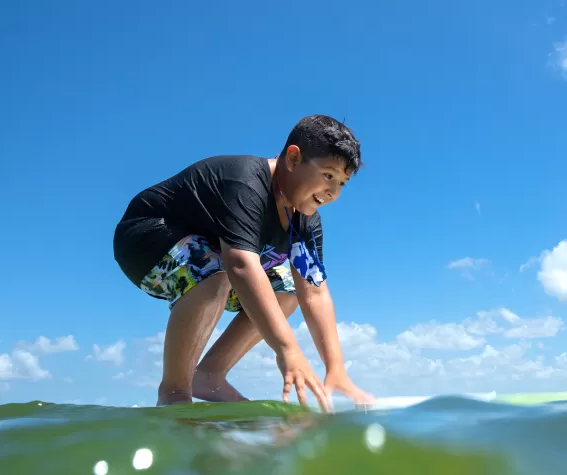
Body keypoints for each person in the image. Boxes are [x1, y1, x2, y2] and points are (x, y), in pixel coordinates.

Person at [112, 114, 373, 410]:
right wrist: (288, 350)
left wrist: (335, 368)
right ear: (293, 158)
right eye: (328, 175)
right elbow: (241, 266)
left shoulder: (305, 220)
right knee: (216, 271)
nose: (333, 192)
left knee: (288, 289)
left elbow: (314, 291)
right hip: (144, 237)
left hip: (212, 254)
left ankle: (209, 375)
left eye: (342, 183)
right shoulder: (247, 183)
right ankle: (174, 392)